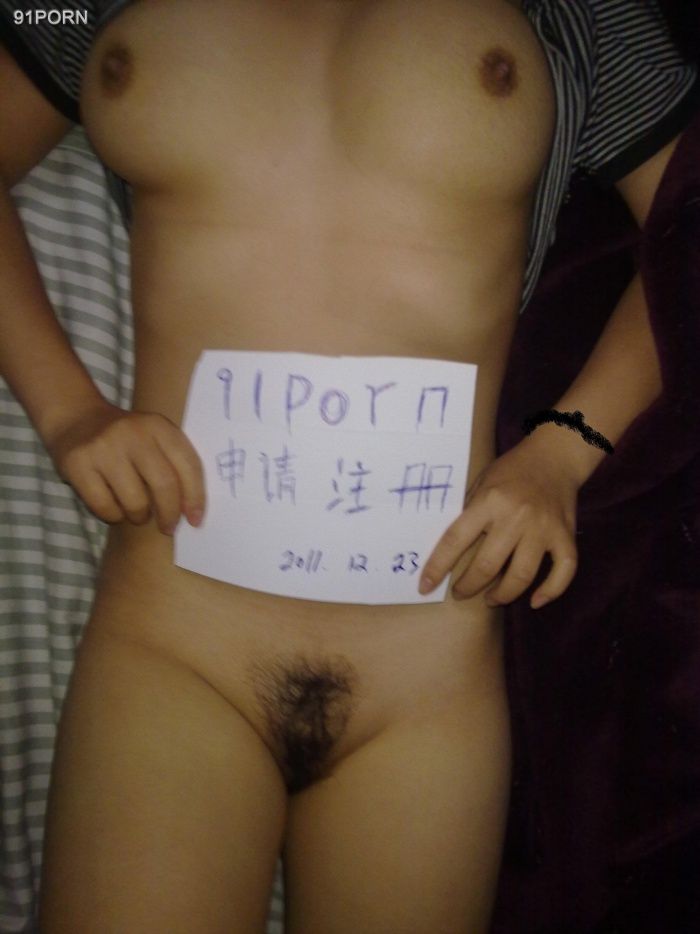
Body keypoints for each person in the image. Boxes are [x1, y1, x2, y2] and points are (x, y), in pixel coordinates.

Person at [0, 1, 696, 931]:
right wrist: (65, 409)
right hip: (171, 653)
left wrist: (565, 449)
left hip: (428, 682)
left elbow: (691, 226)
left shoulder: (582, 9)